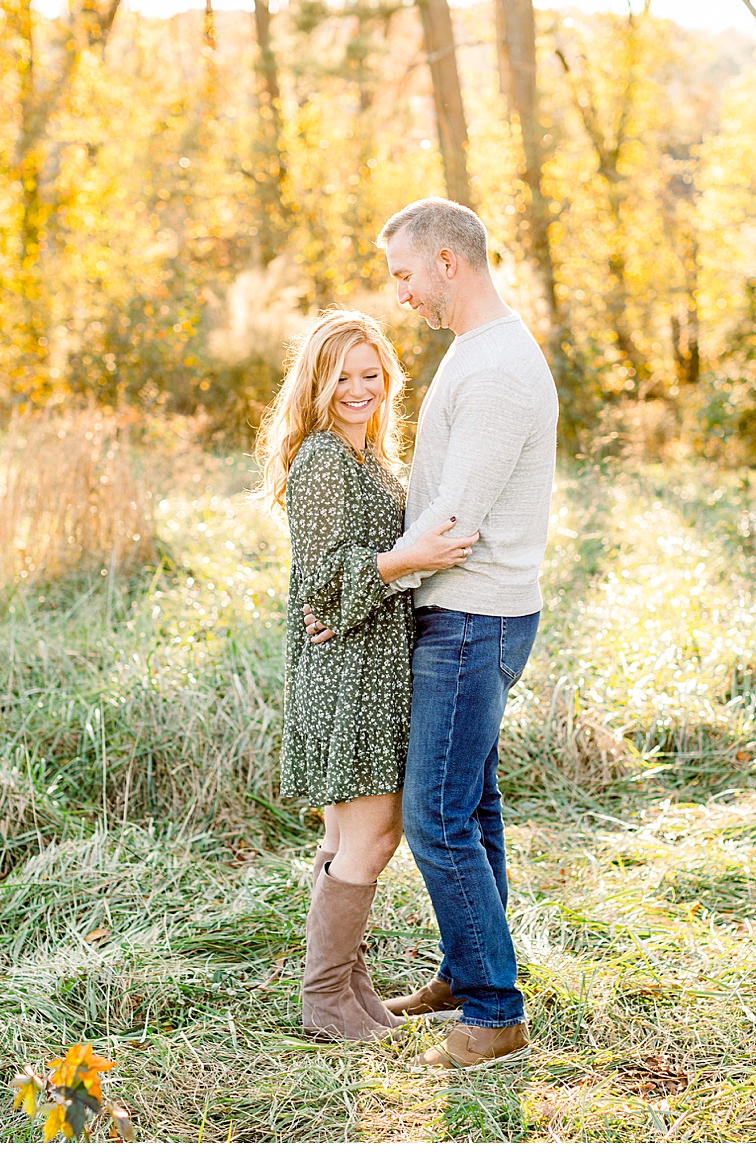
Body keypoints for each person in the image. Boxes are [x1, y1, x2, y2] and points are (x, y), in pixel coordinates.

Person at [304, 198, 559, 1070]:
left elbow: (454, 521)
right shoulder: (477, 353)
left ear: (448, 262)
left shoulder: (494, 371)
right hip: (465, 612)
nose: (400, 293)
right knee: (473, 806)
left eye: (404, 273)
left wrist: (357, 586)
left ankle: (493, 1011)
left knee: (436, 818)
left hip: (471, 619)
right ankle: (465, 971)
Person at [256, 307, 479, 1041]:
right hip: (346, 672)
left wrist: (394, 570)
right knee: (372, 837)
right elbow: (319, 580)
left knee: (351, 836)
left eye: (371, 373)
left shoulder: (369, 459)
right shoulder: (323, 459)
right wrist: (406, 562)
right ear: (318, 383)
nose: (360, 388)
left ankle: (352, 996)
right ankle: (324, 1000)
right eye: (343, 375)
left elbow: (352, 574)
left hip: (373, 661)